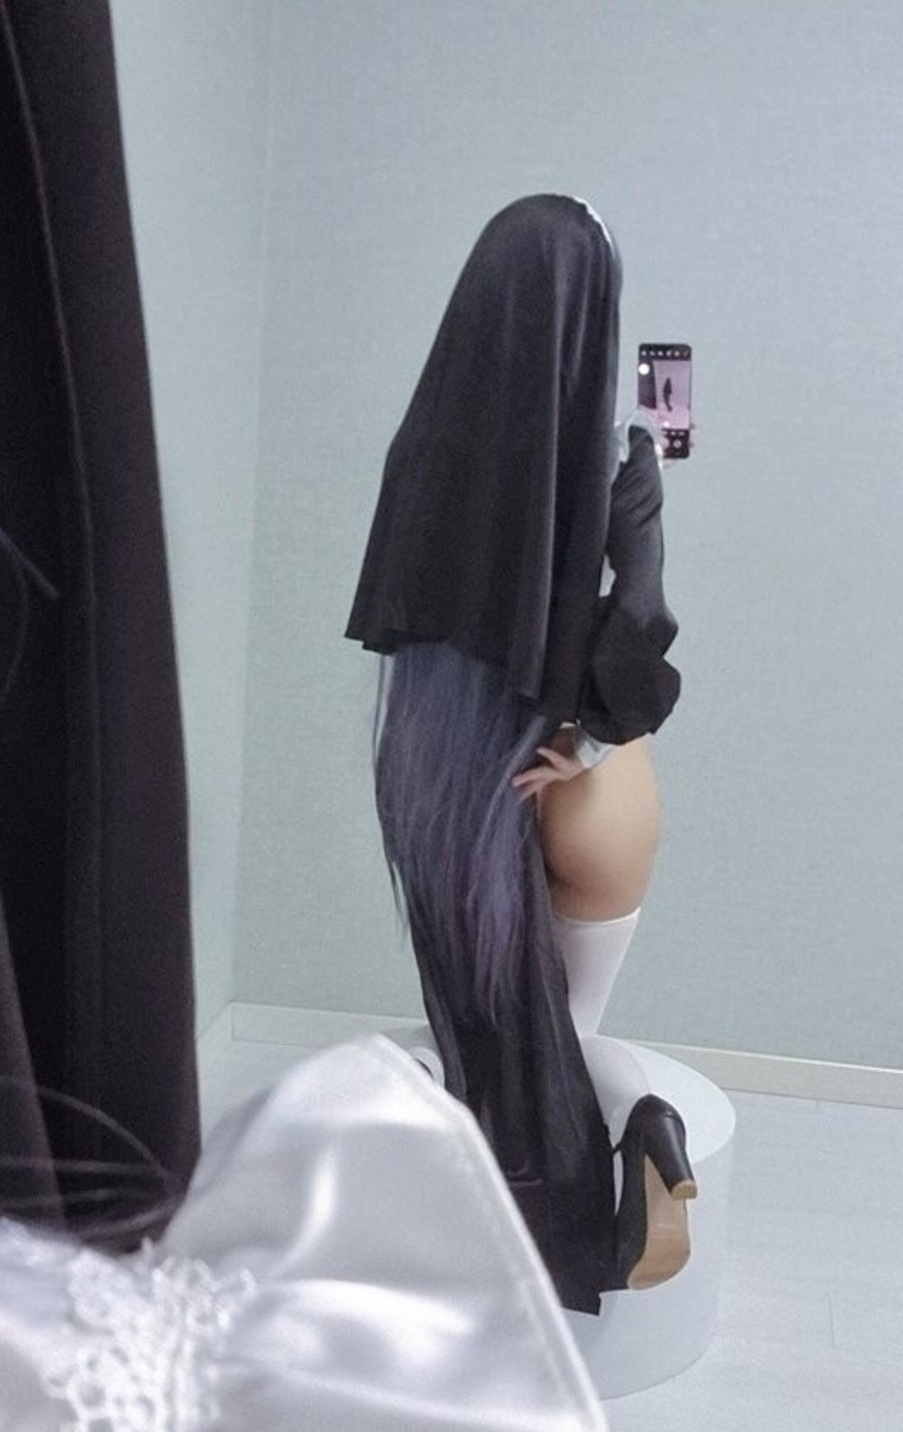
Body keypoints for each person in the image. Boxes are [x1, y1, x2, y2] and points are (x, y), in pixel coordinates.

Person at [0, 17, 649, 1432]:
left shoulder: (450, 482)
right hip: (539, 787)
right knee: (569, 1038)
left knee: (520, 1016)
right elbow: (636, 664)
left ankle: (572, 1166)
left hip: (455, 761)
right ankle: (586, 1183)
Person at [346, 195, 695, 1313]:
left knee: (484, 1031)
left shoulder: (426, 447)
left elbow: (400, 613)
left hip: (451, 772)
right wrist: (586, 740)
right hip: (582, 778)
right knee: (571, 1032)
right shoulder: (624, 457)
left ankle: (420, 1128)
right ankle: (648, 1128)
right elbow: (641, 614)